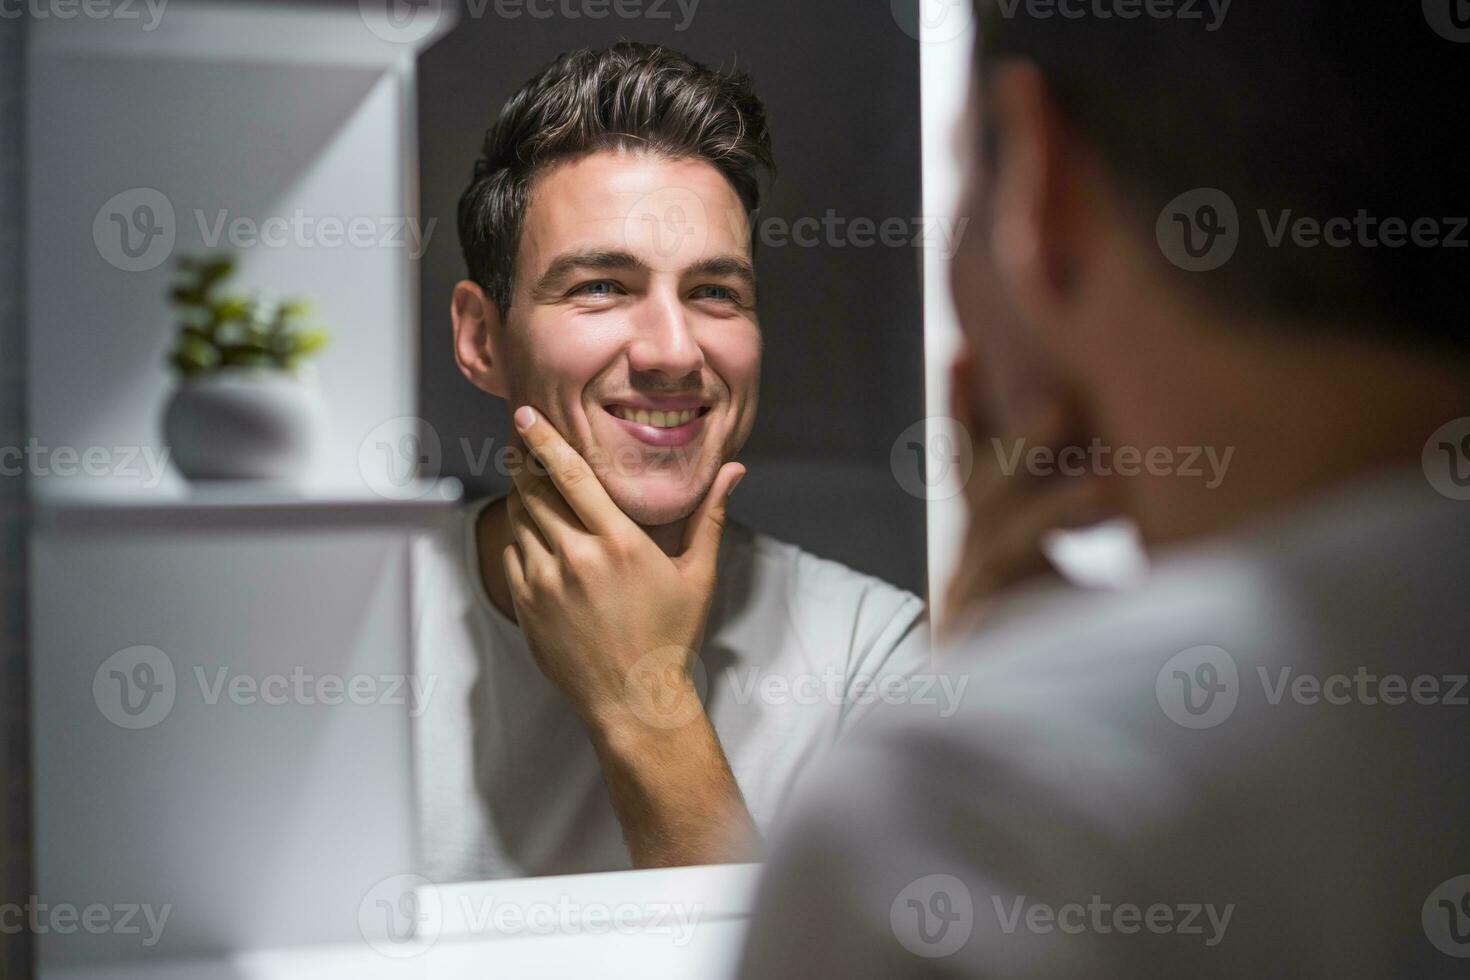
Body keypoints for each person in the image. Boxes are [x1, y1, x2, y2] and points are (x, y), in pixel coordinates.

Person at [736, 1, 1470, 976]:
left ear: (1041, 186)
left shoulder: (975, 830)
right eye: (601, 287)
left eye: (715, 290)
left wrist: (1009, 739)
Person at [410, 43, 931, 882]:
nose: (674, 352)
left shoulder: (874, 659)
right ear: (481, 338)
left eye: (714, 293)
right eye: (602, 287)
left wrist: (642, 703)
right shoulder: (349, 618)